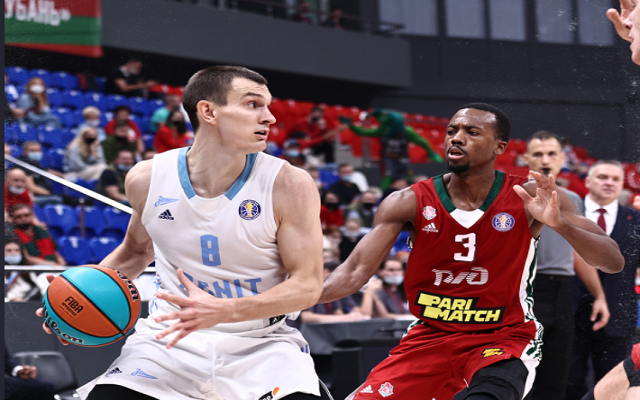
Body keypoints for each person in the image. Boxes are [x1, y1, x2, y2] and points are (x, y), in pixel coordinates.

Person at [37, 65, 330, 400]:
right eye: (253, 104)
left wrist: (227, 310)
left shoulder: (289, 184)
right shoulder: (147, 178)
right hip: (168, 341)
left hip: (261, 344)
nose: (270, 117)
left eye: (268, 106)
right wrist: (75, 298)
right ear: (208, 111)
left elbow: (308, 285)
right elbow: (136, 251)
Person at [318, 103, 624, 400]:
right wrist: (300, 297)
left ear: (499, 147)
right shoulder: (407, 200)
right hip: (430, 335)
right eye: (452, 131)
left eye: (472, 132)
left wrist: (560, 224)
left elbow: (613, 261)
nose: (457, 138)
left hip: (503, 336)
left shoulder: (529, 195)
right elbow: (355, 270)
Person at [523, 131, 609, 400]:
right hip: (523, 290)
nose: (545, 160)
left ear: (562, 159)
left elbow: (578, 254)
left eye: (551, 154)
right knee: (517, 375)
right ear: (526, 159)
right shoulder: (513, 197)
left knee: (556, 377)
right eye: (538, 154)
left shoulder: (572, 199)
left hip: (562, 292)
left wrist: (599, 296)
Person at [567, 160, 640, 400]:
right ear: (587, 181)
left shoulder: (636, 219)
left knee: (613, 385)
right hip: (569, 310)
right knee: (568, 381)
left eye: (615, 179)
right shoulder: (567, 214)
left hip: (619, 313)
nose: (609, 183)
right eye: (602, 177)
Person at [342, 108, 443, 189]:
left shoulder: (406, 131)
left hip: (402, 157)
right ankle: (384, 197)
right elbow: (364, 132)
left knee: (407, 176)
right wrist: (351, 126)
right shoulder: (383, 131)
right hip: (387, 158)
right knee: (388, 177)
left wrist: (431, 153)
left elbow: (422, 142)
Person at [300, 262, 367, 323]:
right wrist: (344, 318)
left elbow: (338, 313)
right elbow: (306, 317)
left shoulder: (332, 290)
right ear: (325, 272)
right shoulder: (310, 288)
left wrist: (352, 317)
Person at [17, 141, 63, 206]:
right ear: (24, 152)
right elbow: (31, 187)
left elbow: (46, 171)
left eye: (38, 150)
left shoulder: (35, 163)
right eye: (32, 151)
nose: (36, 153)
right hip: (35, 196)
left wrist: (64, 176)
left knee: (70, 198)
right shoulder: (22, 164)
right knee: (58, 199)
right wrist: (49, 194)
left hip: (45, 194)